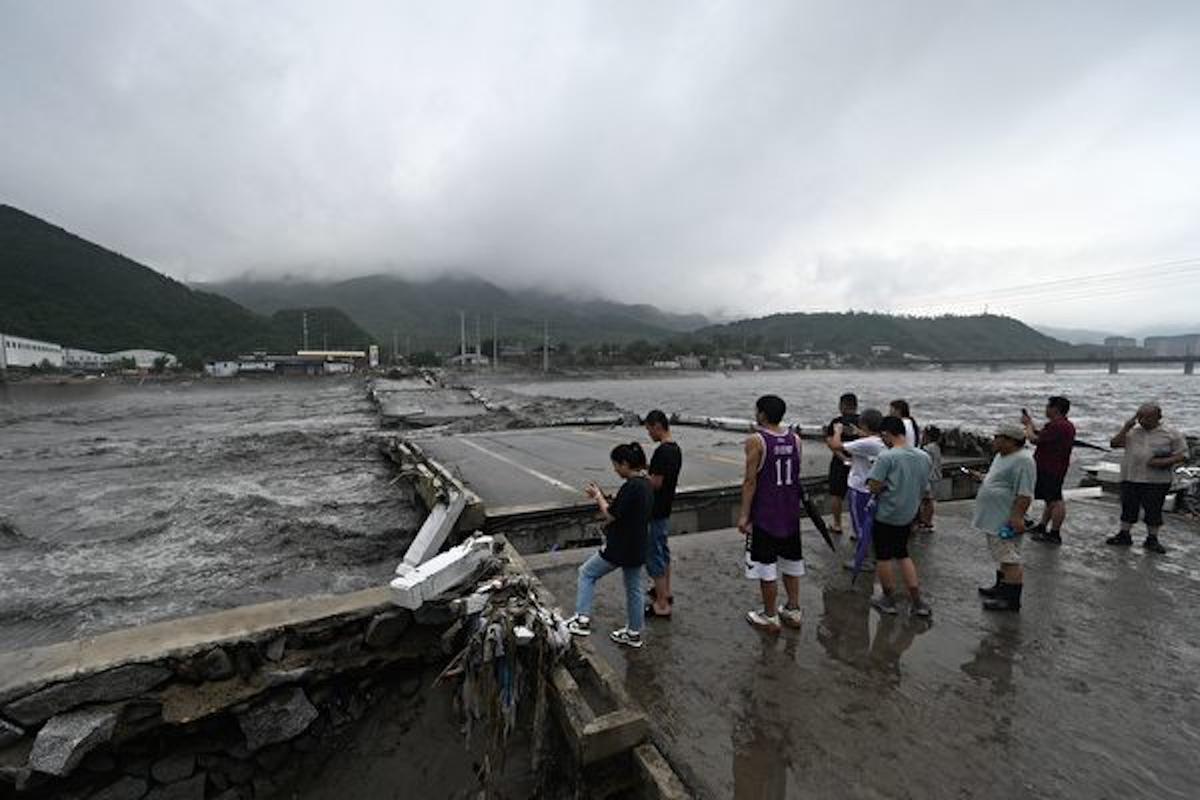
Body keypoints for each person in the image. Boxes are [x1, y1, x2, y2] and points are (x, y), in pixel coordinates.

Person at [566, 442, 653, 648]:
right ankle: (633, 632)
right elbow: (624, 509)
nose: (615, 469)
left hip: (620, 546)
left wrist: (598, 497)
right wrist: (605, 498)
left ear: (625, 463)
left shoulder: (631, 486)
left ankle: (581, 619)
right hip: (638, 544)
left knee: (586, 573)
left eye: (616, 465)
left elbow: (611, 514)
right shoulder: (646, 484)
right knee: (634, 589)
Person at [737, 394, 806, 633]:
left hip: (766, 513)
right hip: (789, 511)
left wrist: (744, 515)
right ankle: (793, 610)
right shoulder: (795, 439)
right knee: (791, 562)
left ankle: (769, 615)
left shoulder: (757, 440)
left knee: (766, 567)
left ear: (762, 414)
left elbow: (750, 481)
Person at [865, 416, 932, 617]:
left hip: (887, 514)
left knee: (884, 557)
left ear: (886, 434)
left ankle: (888, 599)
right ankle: (917, 601)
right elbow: (924, 487)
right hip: (908, 513)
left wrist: (884, 485)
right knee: (903, 554)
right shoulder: (923, 456)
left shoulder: (887, 457)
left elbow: (873, 486)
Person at [968, 424, 1036, 612]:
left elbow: (1025, 493)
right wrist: (982, 478)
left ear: (1010, 441)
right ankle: (1001, 588)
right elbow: (998, 479)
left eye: (998, 437)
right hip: (993, 516)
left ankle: (1010, 600)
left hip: (1005, 517)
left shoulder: (1024, 460)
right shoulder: (1001, 456)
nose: (993, 440)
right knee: (1001, 554)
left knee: (1009, 557)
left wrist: (1017, 517)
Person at [1107, 404, 1189, 554]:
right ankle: (1124, 534)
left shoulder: (1171, 433)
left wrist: (1164, 462)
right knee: (1128, 507)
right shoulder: (1132, 431)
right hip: (1131, 476)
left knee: (1153, 509)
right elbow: (1114, 444)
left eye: (1147, 417)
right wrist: (1126, 427)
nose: (1143, 421)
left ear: (1158, 417)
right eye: (1140, 417)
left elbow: (1183, 454)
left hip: (1156, 479)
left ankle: (1152, 538)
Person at [643, 409, 682, 619]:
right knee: (663, 550)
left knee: (653, 556)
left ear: (657, 426)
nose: (649, 434)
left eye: (649, 429)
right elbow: (664, 475)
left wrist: (638, 477)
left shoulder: (661, 451)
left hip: (655, 509)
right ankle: (665, 590)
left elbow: (656, 483)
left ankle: (662, 605)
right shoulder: (675, 449)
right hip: (666, 506)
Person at [826, 407, 885, 544]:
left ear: (864, 425)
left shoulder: (865, 444)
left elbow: (835, 445)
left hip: (859, 489)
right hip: (873, 489)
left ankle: (864, 560)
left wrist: (837, 432)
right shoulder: (881, 441)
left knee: (860, 527)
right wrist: (857, 432)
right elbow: (868, 440)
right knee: (870, 524)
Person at [1023, 396, 1076, 545]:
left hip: (1051, 467)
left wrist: (1027, 426)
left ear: (1055, 409)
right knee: (1050, 500)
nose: (1046, 409)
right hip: (1053, 466)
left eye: (1048, 406)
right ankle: (1042, 526)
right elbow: (1042, 436)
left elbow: (1034, 439)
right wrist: (1031, 424)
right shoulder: (1062, 425)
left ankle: (1054, 533)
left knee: (1056, 500)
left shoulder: (1058, 426)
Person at [824, 393, 861, 536]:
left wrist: (844, 458)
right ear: (856, 405)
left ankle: (837, 524)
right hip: (859, 462)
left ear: (842, 405)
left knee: (836, 494)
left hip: (839, 463)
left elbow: (831, 443)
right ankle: (857, 529)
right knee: (858, 495)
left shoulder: (836, 422)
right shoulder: (862, 421)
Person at [918, 425, 943, 532]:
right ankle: (927, 521)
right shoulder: (936, 447)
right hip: (935, 477)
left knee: (927, 500)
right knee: (929, 500)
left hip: (929, 477)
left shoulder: (927, 449)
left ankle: (926, 521)